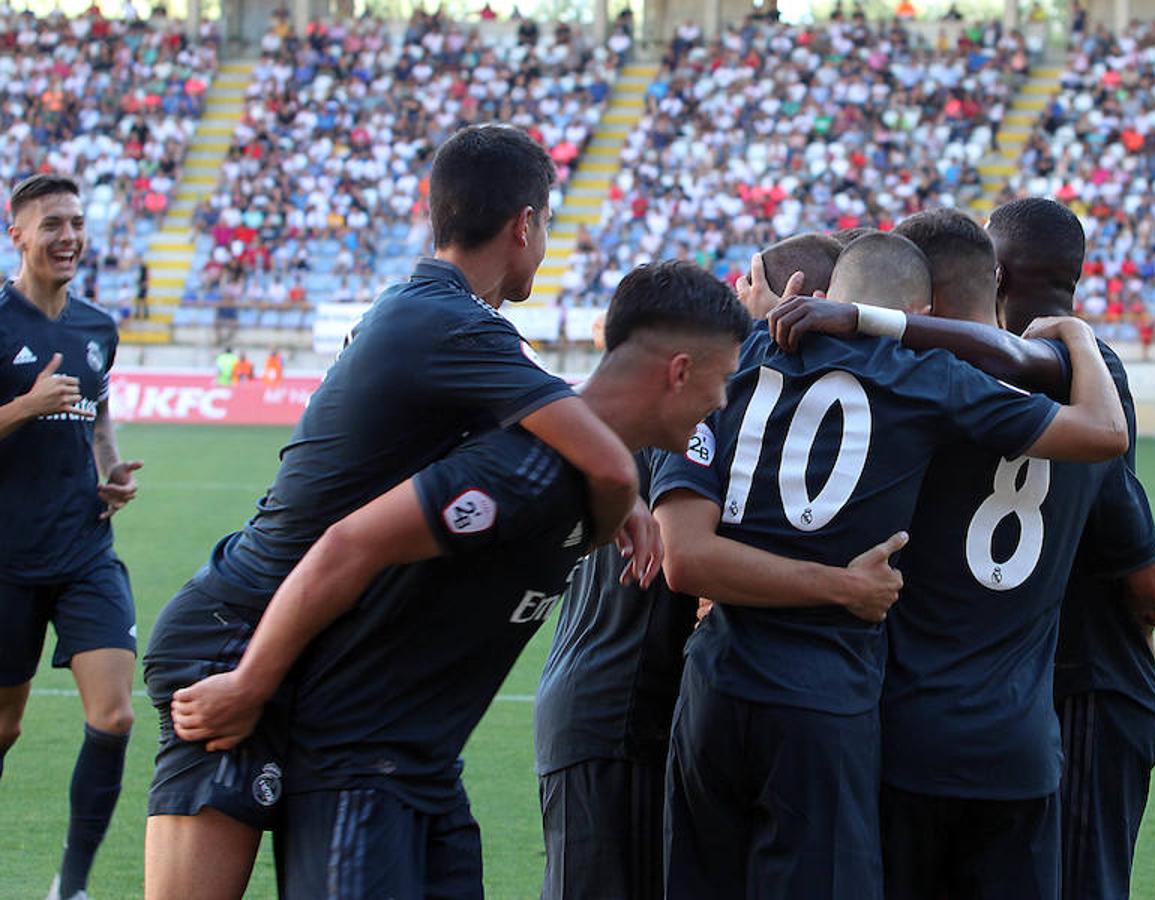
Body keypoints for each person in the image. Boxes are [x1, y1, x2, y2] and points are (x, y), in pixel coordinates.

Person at [141, 125, 654, 900]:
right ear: (524, 224)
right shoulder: (454, 324)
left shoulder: (436, 313)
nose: (544, 244)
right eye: (546, 225)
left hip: (300, 637)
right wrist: (621, 510)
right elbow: (609, 459)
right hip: (235, 635)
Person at [170, 262, 755, 896]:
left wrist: (621, 496)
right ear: (679, 372)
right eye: (721, 380)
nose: (721, 402)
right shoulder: (529, 469)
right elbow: (345, 545)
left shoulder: (591, 478)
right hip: (358, 768)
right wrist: (250, 683)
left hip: (427, 774)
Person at [650, 211, 1129, 900]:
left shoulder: (736, 359)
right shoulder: (925, 378)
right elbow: (1105, 432)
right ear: (920, 312)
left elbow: (686, 560)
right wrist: (1080, 336)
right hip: (824, 695)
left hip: (711, 686)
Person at [533, 236, 890, 900]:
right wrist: (842, 588)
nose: (736, 290)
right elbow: (689, 560)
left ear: (797, 305)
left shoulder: (735, 412)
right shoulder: (701, 416)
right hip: (616, 712)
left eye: (749, 280)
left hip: (625, 708)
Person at [988, 199, 1155, 900]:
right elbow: (1149, 580)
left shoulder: (969, 366)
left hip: (1061, 685)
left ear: (998, 271)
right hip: (1079, 678)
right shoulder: (1087, 366)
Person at [0, 174, 143, 900]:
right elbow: (37, 409)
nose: (69, 237)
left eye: (77, 223)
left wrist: (109, 471)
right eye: (52, 223)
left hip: (85, 548)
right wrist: (24, 405)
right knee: (5, 729)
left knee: (114, 713)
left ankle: (72, 887)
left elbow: (98, 411)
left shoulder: (96, 327)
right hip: (7, 558)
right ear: (17, 232)